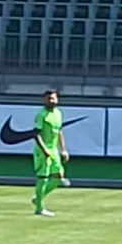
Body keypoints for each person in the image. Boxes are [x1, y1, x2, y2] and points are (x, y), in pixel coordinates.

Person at [31, 89, 70, 217]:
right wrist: (44, 150)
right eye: (49, 98)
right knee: (43, 177)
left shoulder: (58, 113)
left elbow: (59, 132)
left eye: (53, 98)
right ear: (44, 100)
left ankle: (38, 198)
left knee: (58, 176)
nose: (51, 101)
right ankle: (39, 208)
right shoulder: (41, 115)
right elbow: (36, 134)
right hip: (42, 150)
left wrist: (63, 149)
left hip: (53, 150)